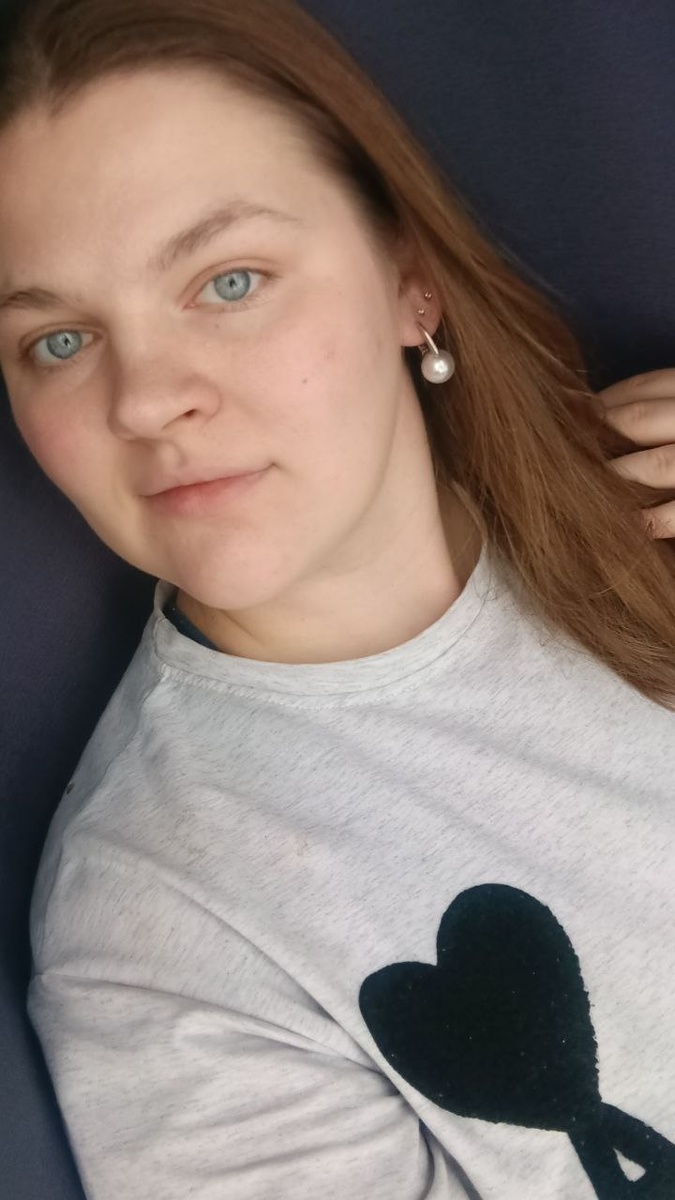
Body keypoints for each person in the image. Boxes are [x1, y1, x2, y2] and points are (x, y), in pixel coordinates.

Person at [0, 1, 674, 1197]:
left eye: (230, 281)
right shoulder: (166, 926)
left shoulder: (645, 502)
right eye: (58, 341)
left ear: (412, 280)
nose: (145, 399)